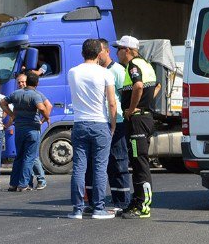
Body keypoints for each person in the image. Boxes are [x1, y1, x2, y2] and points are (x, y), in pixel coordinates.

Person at [66, 39, 117, 220]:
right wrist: (113, 124)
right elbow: (111, 102)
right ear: (98, 54)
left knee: (79, 167)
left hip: (79, 123)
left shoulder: (73, 72)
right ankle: (98, 208)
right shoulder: (105, 73)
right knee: (99, 168)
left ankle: (77, 209)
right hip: (100, 123)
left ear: (82, 53)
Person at [115, 35, 157, 219]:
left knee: (140, 163)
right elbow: (158, 86)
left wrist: (131, 109)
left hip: (138, 120)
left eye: (119, 49)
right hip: (144, 117)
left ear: (127, 50)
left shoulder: (133, 66)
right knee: (137, 161)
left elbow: (138, 85)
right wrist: (146, 104)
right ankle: (137, 200)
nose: (117, 52)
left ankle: (143, 206)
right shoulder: (147, 64)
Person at [2, 72, 51, 192]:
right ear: (37, 83)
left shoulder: (15, 93)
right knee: (29, 157)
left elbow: (2, 103)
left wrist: (11, 114)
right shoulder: (35, 95)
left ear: (27, 82)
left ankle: (13, 184)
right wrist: (45, 118)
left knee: (19, 156)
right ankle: (23, 184)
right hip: (32, 129)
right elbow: (42, 107)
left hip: (19, 128)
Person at [98, 39, 131, 211]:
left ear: (106, 52)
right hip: (104, 122)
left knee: (119, 161)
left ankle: (124, 201)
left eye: (100, 51)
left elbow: (124, 97)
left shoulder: (117, 71)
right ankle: (117, 199)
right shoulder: (99, 72)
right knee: (110, 163)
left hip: (117, 122)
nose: (97, 55)